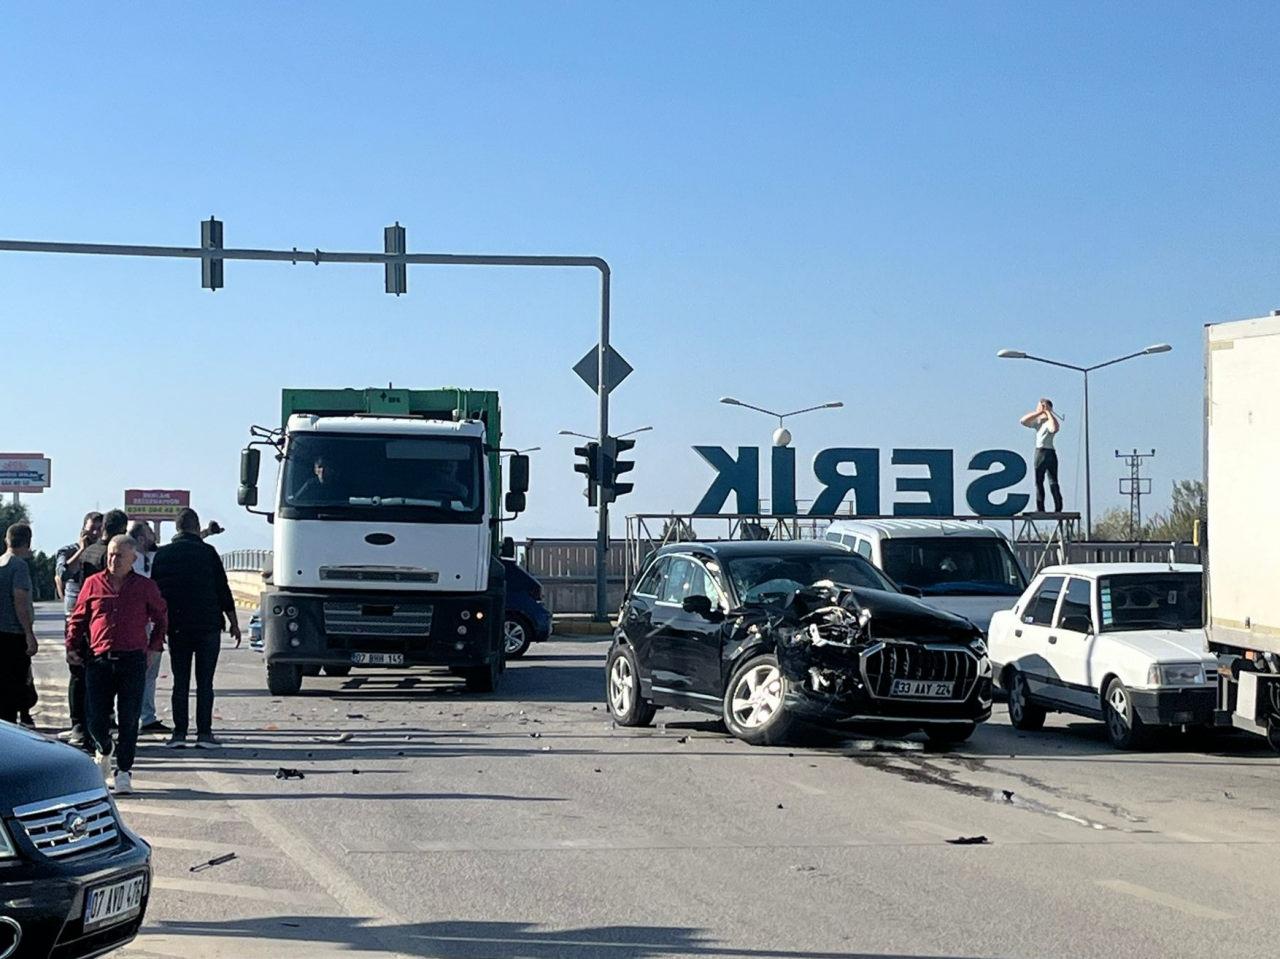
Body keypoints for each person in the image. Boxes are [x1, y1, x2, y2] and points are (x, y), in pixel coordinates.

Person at [66, 534, 167, 794]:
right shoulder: (93, 583)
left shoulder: (144, 586)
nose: (114, 560)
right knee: (95, 718)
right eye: (111, 554)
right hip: (99, 659)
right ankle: (104, 747)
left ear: (133, 558)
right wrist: (72, 647)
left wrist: (153, 648)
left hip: (132, 659)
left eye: (120, 555)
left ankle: (124, 771)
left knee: (129, 718)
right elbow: (78, 618)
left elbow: (161, 617)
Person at [151, 508, 240, 749]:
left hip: (177, 626)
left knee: (180, 682)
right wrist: (234, 622)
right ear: (196, 526)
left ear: (177, 527)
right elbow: (223, 589)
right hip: (207, 625)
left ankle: (179, 734)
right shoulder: (208, 553)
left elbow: (155, 594)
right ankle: (204, 734)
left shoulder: (163, 555)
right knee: (205, 683)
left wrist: (158, 626)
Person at [54, 511, 104, 745]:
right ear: (83, 528)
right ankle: (77, 724)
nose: (95, 533)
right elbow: (64, 573)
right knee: (77, 672)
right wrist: (82, 550)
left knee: (97, 672)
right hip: (74, 617)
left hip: (97, 619)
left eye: (99, 529)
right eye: (92, 528)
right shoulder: (67, 551)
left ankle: (97, 722)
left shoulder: (104, 553)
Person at [129, 520, 170, 736]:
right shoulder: (129, 559)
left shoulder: (156, 556)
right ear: (142, 538)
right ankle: (130, 716)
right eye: (150, 533)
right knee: (134, 670)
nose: (155, 537)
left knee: (150, 671)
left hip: (154, 619)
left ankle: (147, 716)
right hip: (136, 621)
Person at [0, 524, 38, 724]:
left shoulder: (1, 563)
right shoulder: (19, 566)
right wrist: (29, 634)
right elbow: (20, 600)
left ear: (6, 540)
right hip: (13, 634)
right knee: (15, 687)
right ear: (28, 542)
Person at [1020, 397, 1063, 513]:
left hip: (1047, 452)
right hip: (1040, 451)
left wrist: (1048, 412)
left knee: (1053, 481)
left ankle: (1058, 506)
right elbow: (1023, 421)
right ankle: (1040, 507)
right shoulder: (1039, 421)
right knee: (1039, 481)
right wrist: (1039, 413)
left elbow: (1054, 428)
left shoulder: (1050, 421)